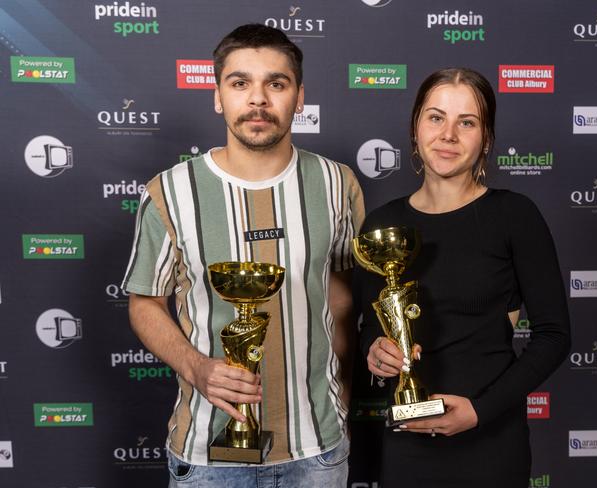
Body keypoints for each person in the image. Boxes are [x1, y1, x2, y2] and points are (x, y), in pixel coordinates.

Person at [122, 24, 364, 487]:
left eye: (276, 83)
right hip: (209, 457)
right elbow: (144, 302)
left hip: (319, 451)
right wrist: (196, 366)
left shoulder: (338, 185)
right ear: (218, 96)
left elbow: (340, 299)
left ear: (299, 96)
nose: (258, 99)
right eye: (240, 83)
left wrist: (342, 401)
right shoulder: (170, 192)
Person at [356, 68, 571, 487]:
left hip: (490, 443)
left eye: (466, 122)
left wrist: (480, 410)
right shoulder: (383, 225)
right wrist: (376, 353)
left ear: (486, 138)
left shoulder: (514, 216)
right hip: (408, 442)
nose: (448, 134)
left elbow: (554, 335)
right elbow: (369, 325)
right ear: (416, 127)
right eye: (436, 117)